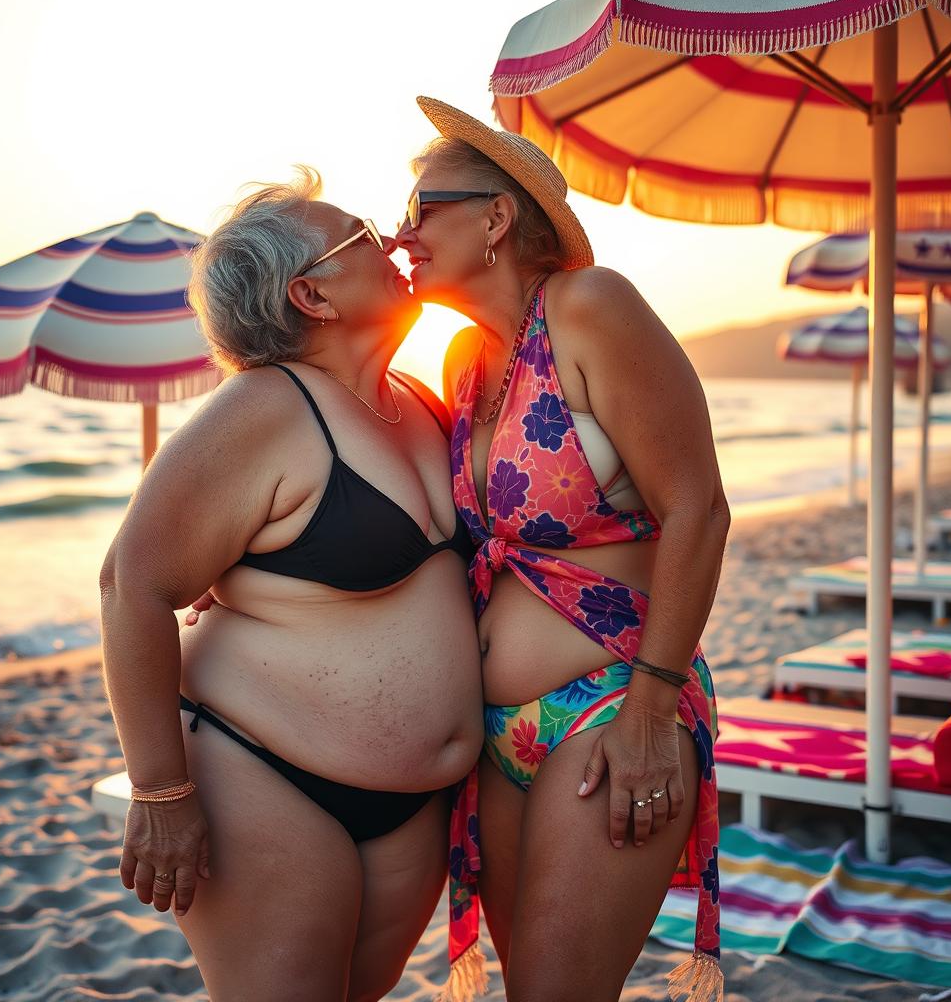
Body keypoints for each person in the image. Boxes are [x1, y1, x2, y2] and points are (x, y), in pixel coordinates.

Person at [98, 169, 484, 1002]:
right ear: (311, 294)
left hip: (413, 801)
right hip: (266, 779)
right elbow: (131, 584)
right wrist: (160, 791)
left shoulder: (417, 398)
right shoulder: (262, 411)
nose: (390, 242)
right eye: (362, 236)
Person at [396, 98, 728, 1002]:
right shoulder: (466, 359)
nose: (401, 233)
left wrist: (651, 718)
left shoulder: (591, 306)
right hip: (499, 737)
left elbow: (698, 508)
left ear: (497, 217)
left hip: (615, 701)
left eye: (423, 210)